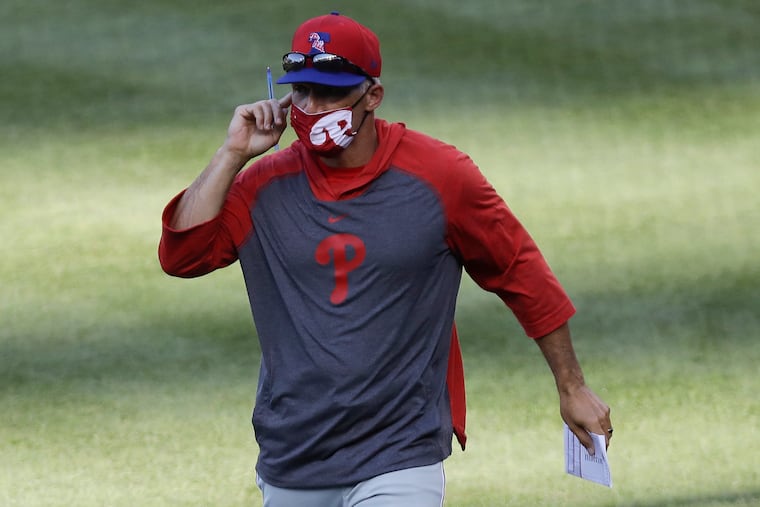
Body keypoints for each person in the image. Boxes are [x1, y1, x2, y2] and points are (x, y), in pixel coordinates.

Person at [158, 11, 612, 507]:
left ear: (372, 95)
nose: (313, 107)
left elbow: (521, 273)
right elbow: (182, 256)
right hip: (294, 454)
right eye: (303, 91)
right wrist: (231, 154)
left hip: (400, 452)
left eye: (330, 92)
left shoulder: (441, 176)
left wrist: (573, 386)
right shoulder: (261, 184)